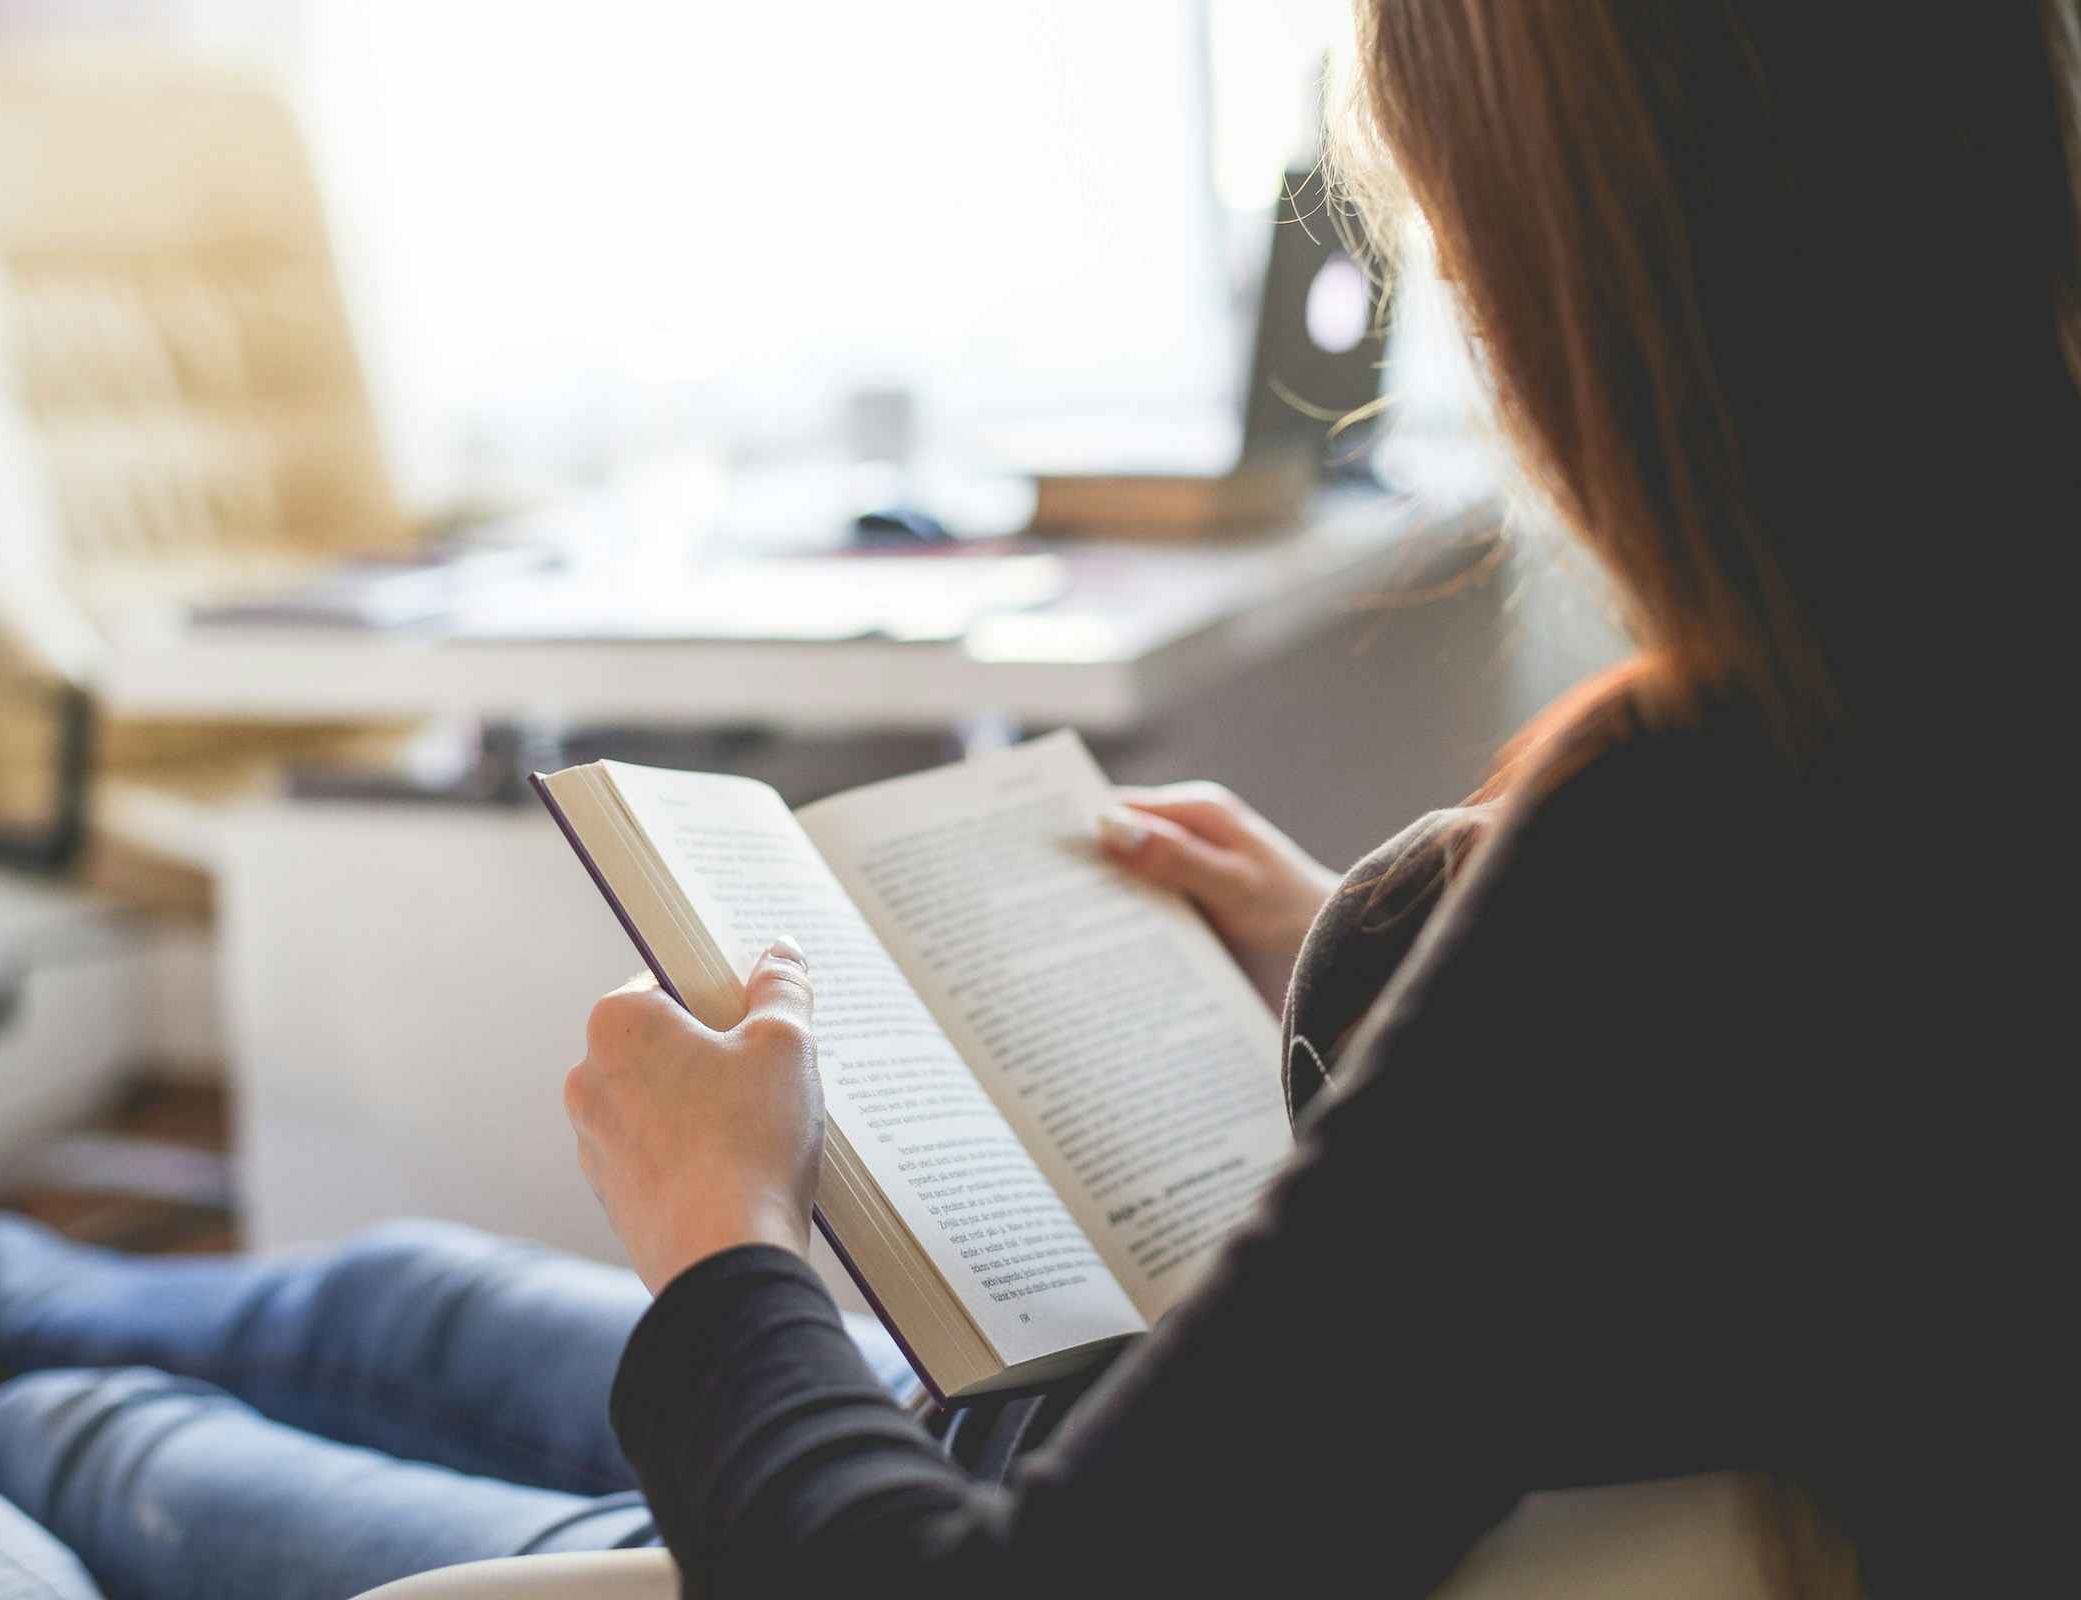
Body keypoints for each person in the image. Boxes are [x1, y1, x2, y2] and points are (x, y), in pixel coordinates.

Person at [557, 6, 2072, 1598]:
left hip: (956, 1512)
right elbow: (1675, 1178)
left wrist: (718, 1236)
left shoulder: (1684, 835)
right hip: (1091, 1436)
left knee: (314, 1373)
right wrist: (1423, 987)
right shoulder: (1948, 699)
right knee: (375, 1306)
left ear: (1567, 258)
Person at [0, 1030, 918, 1600]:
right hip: (991, 1424)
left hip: (868, 1562)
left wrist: (730, 1229)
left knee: (100, 1450)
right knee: (412, 1297)